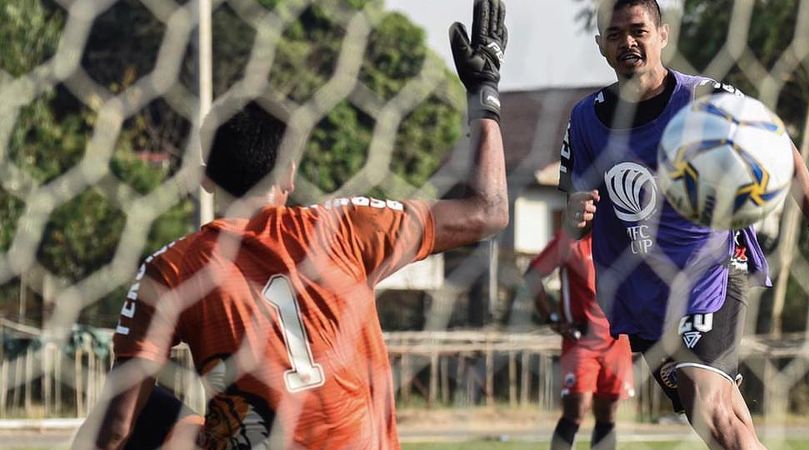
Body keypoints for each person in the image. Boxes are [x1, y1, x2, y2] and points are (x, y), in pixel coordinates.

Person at [72, 0, 508, 448]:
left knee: (145, 411)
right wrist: (485, 94)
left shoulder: (172, 271)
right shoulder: (345, 229)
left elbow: (116, 432)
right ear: (290, 174)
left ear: (204, 179)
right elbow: (488, 210)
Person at [558, 1, 809, 449]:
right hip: (643, 297)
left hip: (707, 274)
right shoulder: (583, 120)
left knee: (707, 407)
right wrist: (576, 217)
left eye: (639, 30)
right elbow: (576, 214)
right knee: (726, 419)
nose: (628, 42)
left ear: (663, 35)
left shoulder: (702, 99)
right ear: (601, 46)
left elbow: (778, 146)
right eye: (615, 34)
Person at [523, 230, 634, 450]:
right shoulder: (570, 241)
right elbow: (532, 275)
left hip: (617, 339)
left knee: (608, 412)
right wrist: (551, 317)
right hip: (581, 340)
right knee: (576, 408)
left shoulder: (622, 238)